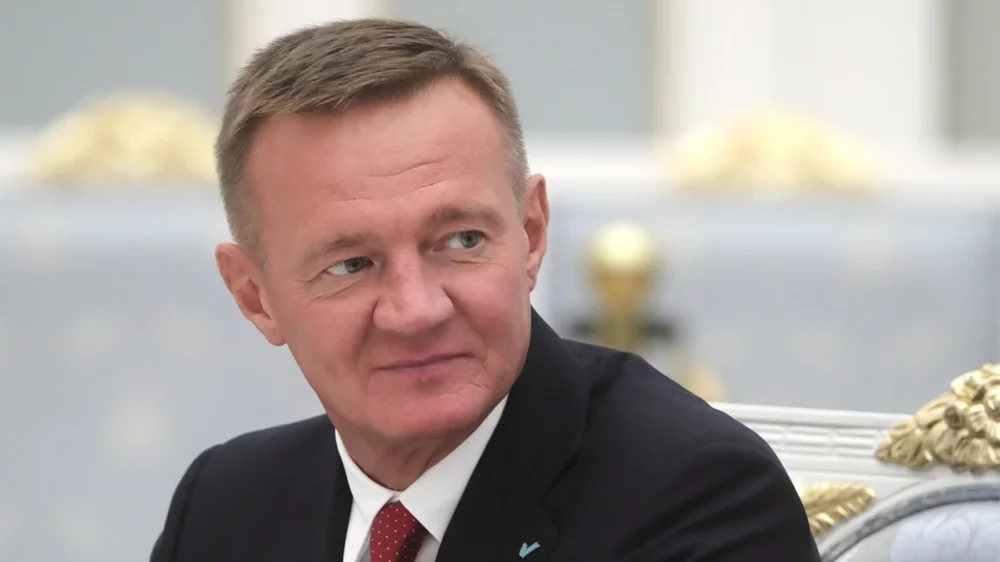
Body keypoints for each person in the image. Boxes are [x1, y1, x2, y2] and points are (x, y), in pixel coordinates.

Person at [150, 18, 820, 562]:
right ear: (255, 296)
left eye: (461, 240)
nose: (416, 310)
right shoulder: (224, 507)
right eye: (351, 265)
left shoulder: (696, 498)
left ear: (531, 232)